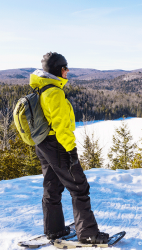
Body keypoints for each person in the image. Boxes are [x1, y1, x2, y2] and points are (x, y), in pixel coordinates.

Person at [29, 52, 109, 244]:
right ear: (58, 70)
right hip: (57, 145)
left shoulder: (41, 88)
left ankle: (54, 230)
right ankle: (89, 235)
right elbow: (61, 126)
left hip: (43, 144)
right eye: (65, 68)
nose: (68, 71)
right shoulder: (54, 92)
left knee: (52, 187)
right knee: (79, 187)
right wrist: (71, 151)